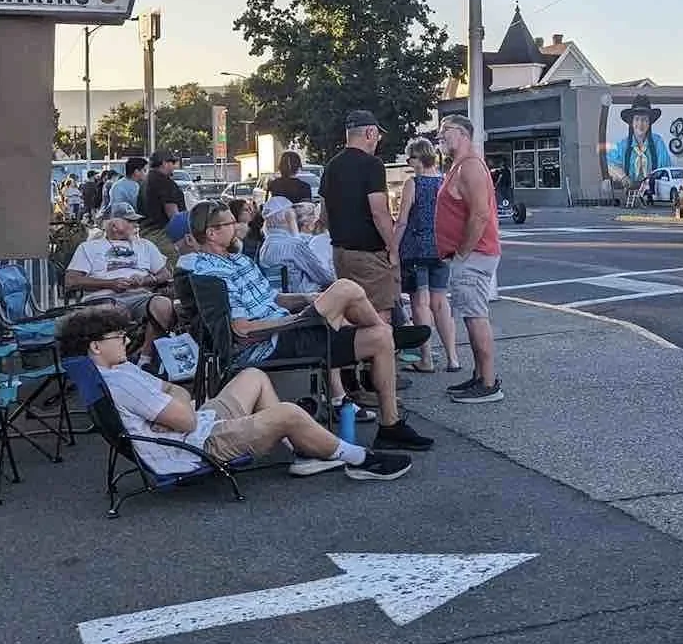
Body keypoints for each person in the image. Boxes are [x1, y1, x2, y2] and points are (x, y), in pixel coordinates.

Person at [180, 199, 432, 453]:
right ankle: (394, 333)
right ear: (211, 233)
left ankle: (390, 426)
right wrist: (294, 321)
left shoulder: (240, 261)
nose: (237, 227)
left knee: (380, 337)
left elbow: (273, 298)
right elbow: (242, 330)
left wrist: (306, 298)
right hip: (272, 343)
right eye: (229, 224)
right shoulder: (210, 272)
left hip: (291, 332)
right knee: (345, 288)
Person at [59, 304, 410, 482]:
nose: (125, 340)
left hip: (196, 426)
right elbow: (184, 417)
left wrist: (176, 401)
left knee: (253, 375)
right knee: (288, 413)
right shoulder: (121, 381)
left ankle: (305, 450)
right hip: (197, 446)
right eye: (117, 337)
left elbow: (173, 392)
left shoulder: (116, 369)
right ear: (95, 346)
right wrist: (179, 403)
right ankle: (359, 460)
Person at [436, 115, 502, 403]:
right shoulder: (459, 166)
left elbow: (480, 214)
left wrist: (462, 253)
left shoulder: (471, 166)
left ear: (463, 133)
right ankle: (479, 375)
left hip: (474, 256)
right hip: (468, 256)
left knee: (476, 318)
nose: (440, 136)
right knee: (471, 316)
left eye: (445, 131)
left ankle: (488, 384)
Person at [321, 110, 403, 320]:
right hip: (369, 255)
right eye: (378, 135)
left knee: (353, 315)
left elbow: (324, 214)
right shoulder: (372, 165)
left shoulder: (331, 166)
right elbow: (379, 212)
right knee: (379, 316)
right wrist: (393, 248)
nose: (378, 140)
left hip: (340, 253)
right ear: (369, 133)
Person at [396, 136, 461, 374]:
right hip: (442, 249)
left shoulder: (413, 184)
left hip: (416, 250)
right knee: (441, 303)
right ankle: (453, 358)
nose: (408, 162)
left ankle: (426, 359)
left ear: (420, 158)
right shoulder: (446, 182)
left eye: (410, 158)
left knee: (420, 303)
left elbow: (402, 221)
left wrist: (392, 248)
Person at [65, 202, 176, 336]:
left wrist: (145, 280)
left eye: (136, 221)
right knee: (113, 312)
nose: (136, 225)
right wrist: (110, 284)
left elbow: (165, 274)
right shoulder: (89, 247)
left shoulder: (145, 245)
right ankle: (119, 348)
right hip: (103, 299)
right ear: (114, 225)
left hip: (140, 296)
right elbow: (71, 281)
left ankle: (146, 350)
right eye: (130, 221)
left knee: (163, 304)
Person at [258, 196, 334, 294]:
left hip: (279, 297)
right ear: (288, 217)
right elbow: (324, 278)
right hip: (301, 297)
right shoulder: (294, 245)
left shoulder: (265, 246)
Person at [138, 152, 183, 260]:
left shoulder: (145, 181)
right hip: (162, 237)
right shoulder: (164, 182)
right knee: (173, 266)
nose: (174, 166)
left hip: (145, 235)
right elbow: (173, 215)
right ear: (164, 163)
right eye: (172, 162)